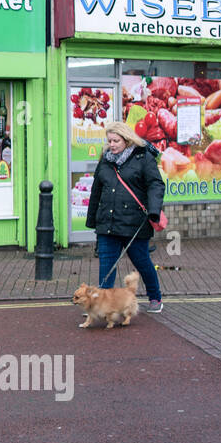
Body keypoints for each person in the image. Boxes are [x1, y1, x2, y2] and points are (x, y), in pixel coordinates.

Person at [86, 120, 165, 313]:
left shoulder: (143, 158)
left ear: (127, 140)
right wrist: (93, 219)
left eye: (116, 141)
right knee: (107, 268)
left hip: (134, 223)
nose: (111, 145)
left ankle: (155, 297)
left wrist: (153, 210)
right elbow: (97, 190)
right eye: (110, 141)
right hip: (108, 224)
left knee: (143, 263)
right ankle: (101, 307)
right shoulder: (105, 159)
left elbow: (156, 185)